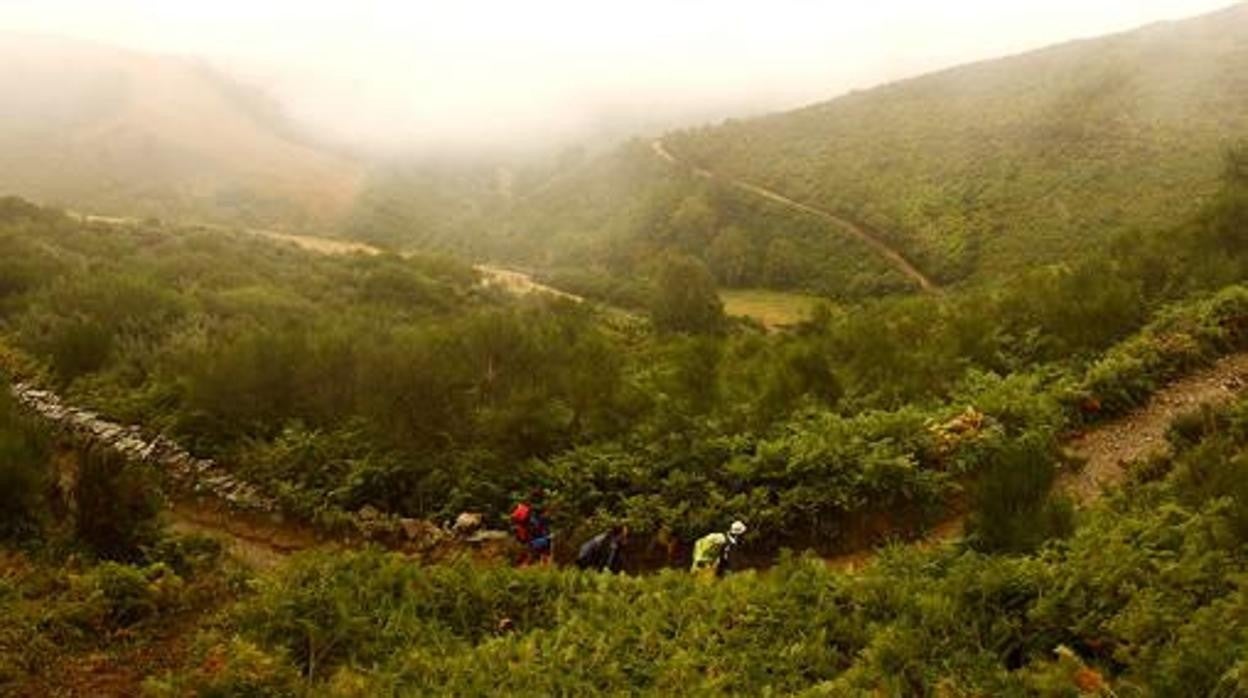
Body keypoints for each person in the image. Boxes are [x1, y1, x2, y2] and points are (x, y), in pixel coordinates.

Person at [510, 489, 552, 566]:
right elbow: (540, 526)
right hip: (533, 540)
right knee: (547, 542)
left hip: (525, 539)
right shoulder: (537, 512)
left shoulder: (526, 507)